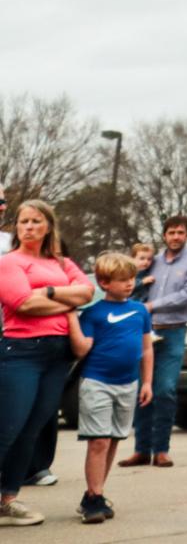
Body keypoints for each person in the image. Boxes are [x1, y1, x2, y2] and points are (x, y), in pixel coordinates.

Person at [0, 200, 94, 526]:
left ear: (48, 227)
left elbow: (87, 292)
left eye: (36, 221)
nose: (28, 227)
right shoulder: (9, 262)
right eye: (23, 221)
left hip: (58, 354)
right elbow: (23, 304)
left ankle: (8, 500)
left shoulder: (61, 262)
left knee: (32, 429)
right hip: (22, 350)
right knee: (9, 426)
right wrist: (67, 303)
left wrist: (49, 291)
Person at [67, 253, 154, 524]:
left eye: (132, 278)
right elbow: (82, 349)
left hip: (128, 385)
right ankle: (94, 498)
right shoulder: (93, 313)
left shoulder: (140, 310)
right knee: (99, 441)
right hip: (97, 383)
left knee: (114, 439)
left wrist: (147, 382)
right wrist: (71, 316)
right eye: (122, 280)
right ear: (104, 283)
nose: (130, 284)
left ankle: (95, 493)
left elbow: (147, 348)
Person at [125, 214, 187, 468]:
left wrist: (152, 305)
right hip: (145, 332)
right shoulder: (153, 260)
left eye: (180, 232)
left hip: (173, 331)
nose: (175, 237)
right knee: (142, 389)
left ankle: (161, 449)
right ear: (164, 235)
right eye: (171, 233)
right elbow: (133, 283)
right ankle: (141, 449)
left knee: (165, 389)